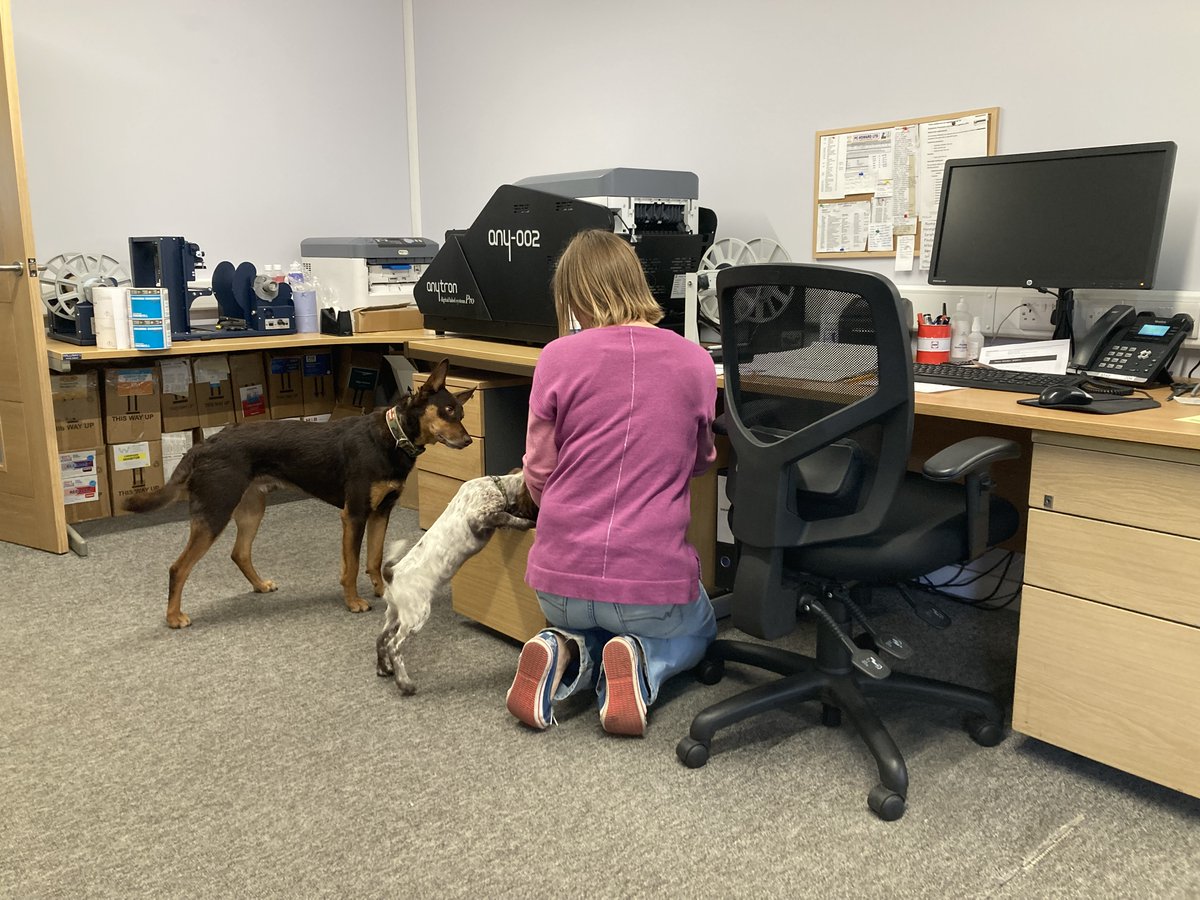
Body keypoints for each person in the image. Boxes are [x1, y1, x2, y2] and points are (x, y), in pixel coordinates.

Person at [505, 229, 718, 736]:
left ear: (573, 297)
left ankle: (564, 650)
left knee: (590, 623)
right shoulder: (696, 361)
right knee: (702, 629)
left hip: (558, 583)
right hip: (650, 584)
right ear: (636, 281)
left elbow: (538, 471)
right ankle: (644, 663)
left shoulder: (556, 357)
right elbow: (702, 460)